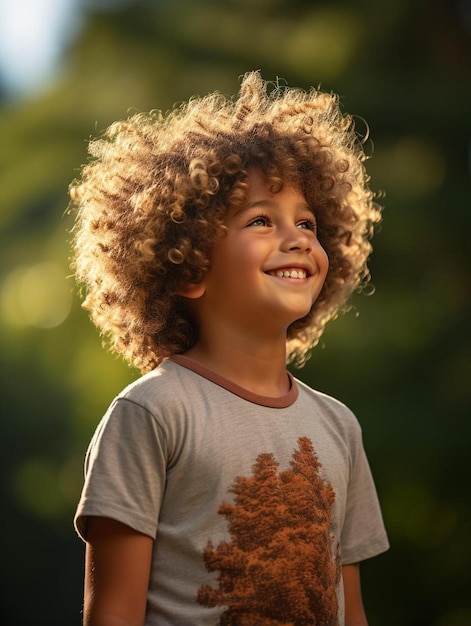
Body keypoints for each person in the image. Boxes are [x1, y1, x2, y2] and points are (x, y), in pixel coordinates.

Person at [71, 71, 389, 626]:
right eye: (261, 220)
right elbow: (112, 613)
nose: (297, 238)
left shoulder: (340, 427)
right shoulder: (152, 413)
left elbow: (350, 610)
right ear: (190, 266)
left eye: (308, 222)